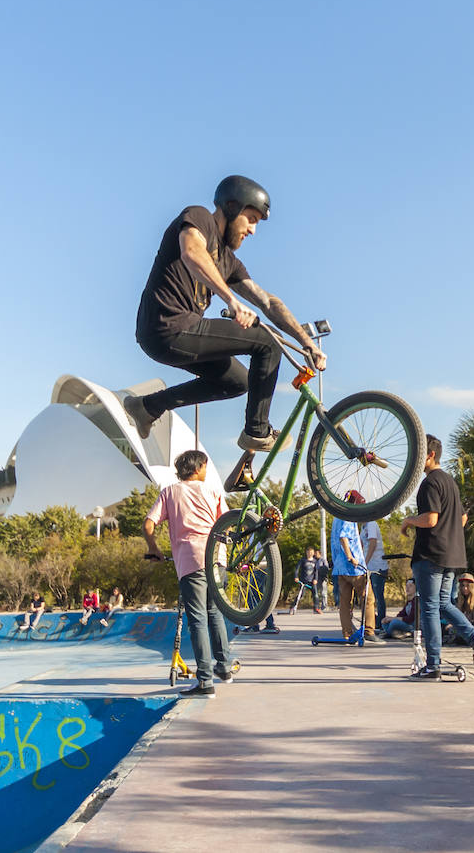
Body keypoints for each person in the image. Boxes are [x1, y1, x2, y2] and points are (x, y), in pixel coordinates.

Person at [124, 176, 326, 453]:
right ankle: (257, 431)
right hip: (168, 325)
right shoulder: (199, 218)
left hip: (167, 338)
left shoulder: (228, 261)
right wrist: (231, 300)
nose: (253, 230)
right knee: (268, 342)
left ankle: (148, 407)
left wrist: (308, 342)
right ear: (232, 207)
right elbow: (191, 251)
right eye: (251, 219)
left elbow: (267, 302)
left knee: (237, 382)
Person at [401, 434, 474, 680]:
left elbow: (430, 519)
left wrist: (408, 521)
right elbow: (462, 518)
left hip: (430, 555)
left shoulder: (430, 483)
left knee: (430, 607)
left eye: (418, 454)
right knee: (443, 604)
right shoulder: (450, 482)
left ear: (430, 455)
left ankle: (432, 666)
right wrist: (448, 534)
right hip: (452, 555)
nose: (414, 459)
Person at [143, 449, 233, 698]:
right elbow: (227, 523)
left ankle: (205, 681)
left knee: (197, 620)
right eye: (205, 466)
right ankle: (224, 668)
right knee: (214, 612)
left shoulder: (170, 492)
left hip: (190, 561)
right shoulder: (213, 491)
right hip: (216, 559)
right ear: (199, 467)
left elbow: (148, 524)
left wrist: (154, 549)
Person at [331, 491, 381, 643]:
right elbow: (343, 537)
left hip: (339, 567)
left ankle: (347, 633)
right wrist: (351, 557)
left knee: (345, 603)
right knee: (368, 597)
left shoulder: (336, 516)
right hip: (353, 566)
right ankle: (369, 631)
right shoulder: (348, 516)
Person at [360, 519, 387, 629]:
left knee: (377, 595)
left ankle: (381, 623)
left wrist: (365, 562)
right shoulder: (363, 526)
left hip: (377, 566)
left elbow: (373, 543)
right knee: (368, 596)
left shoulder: (371, 523)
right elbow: (361, 544)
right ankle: (372, 621)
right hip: (369, 567)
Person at [289, 546, 321, 614]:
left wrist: (315, 579)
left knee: (315, 595)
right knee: (301, 595)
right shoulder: (303, 560)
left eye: (311, 552)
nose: (310, 554)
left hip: (312, 581)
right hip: (304, 581)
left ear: (313, 553)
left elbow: (316, 571)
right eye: (308, 552)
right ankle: (292, 607)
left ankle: (316, 608)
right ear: (306, 553)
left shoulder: (315, 561)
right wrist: (296, 577)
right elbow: (297, 569)